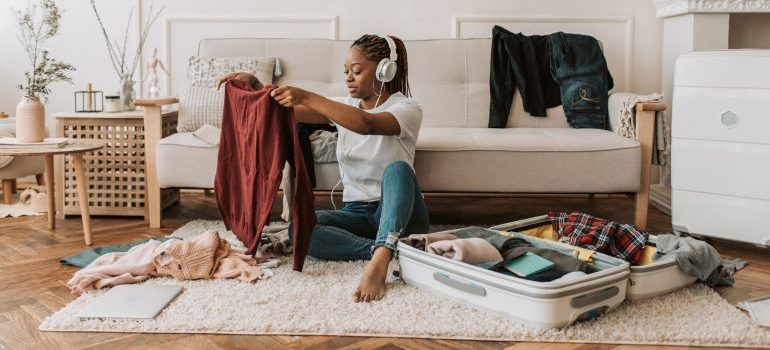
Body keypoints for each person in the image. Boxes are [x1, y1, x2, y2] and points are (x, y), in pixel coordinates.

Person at [217, 34, 429, 302]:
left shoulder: (407, 108)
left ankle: (382, 258)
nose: (349, 78)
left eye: (357, 70)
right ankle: (390, 250)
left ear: (385, 69)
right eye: (346, 72)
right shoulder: (343, 108)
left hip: (403, 216)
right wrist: (256, 85)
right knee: (300, 230)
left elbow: (366, 124)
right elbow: (283, 111)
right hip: (358, 213)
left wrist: (306, 95)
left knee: (397, 170)